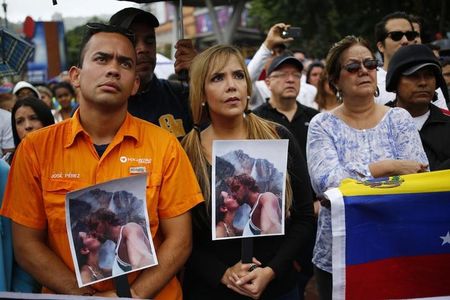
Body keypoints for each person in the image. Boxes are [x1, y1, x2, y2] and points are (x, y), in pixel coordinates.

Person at [0, 23, 203, 298]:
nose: (113, 69)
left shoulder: (164, 146)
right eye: (101, 58)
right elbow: (26, 245)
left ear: (134, 84)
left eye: (125, 63)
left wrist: (133, 294)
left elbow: (180, 241)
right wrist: (83, 296)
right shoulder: (35, 149)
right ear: (75, 75)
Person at [181, 44, 315, 299]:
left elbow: (305, 216)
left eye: (238, 75)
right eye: (218, 78)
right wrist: (221, 273)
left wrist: (272, 270)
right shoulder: (185, 152)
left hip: (278, 289)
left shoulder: (278, 136)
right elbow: (179, 236)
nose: (231, 85)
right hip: (212, 291)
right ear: (200, 93)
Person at [306, 36, 429, 299]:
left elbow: (419, 178)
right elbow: (327, 183)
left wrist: (356, 181)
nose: (363, 70)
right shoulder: (322, 125)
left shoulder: (399, 118)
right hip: (340, 254)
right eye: (352, 67)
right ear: (335, 80)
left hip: (397, 247)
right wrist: (386, 167)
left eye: (370, 63)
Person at [109, 7, 195, 139]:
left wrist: (201, 75)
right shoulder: (98, 108)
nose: (143, 49)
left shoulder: (181, 95)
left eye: (149, 41)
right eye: (132, 41)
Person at [385, 44, 450, 170]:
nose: (423, 82)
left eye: (429, 75)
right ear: (394, 82)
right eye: (413, 76)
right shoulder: (377, 124)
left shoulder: (447, 122)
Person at [374, 11, 448, 109]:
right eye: (396, 35)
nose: (405, 41)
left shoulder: (429, 79)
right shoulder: (370, 81)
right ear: (381, 46)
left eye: (410, 35)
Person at [253, 55, 319, 158]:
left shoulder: (315, 118)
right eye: (283, 75)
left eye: (296, 75)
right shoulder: (256, 118)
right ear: (268, 82)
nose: (291, 80)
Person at [247, 23, 318, 110]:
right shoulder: (258, 89)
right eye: (271, 53)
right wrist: (267, 45)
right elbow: (246, 79)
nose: (277, 56)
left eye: (280, 52)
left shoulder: (308, 90)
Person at [85, 208, 154, 276]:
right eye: (91, 229)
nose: (94, 232)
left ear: (106, 221)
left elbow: (142, 259)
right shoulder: (117, 246)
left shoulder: (129, 229)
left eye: (95, 226)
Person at [6, 97, 55, 164]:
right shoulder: (8, 164)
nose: (27, 126)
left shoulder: (66, 156)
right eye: (19, 121)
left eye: (34, 118)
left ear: (47, 121)